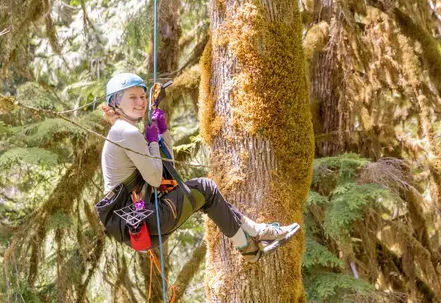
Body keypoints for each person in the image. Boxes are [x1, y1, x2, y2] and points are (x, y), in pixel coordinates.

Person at [95, 72, 300, 262]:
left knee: (206, 197)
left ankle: (252, 244)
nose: (140, 102)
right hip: (141, 221)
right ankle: (254, 239)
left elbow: (167, 166)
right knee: (205, 188)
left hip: (138, 223)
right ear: (116, 102)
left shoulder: (125, 131)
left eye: (142, 96)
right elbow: (156, 179)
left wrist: (162, 132)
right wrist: (152, 142)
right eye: (133, 97)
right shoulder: (126, 133)